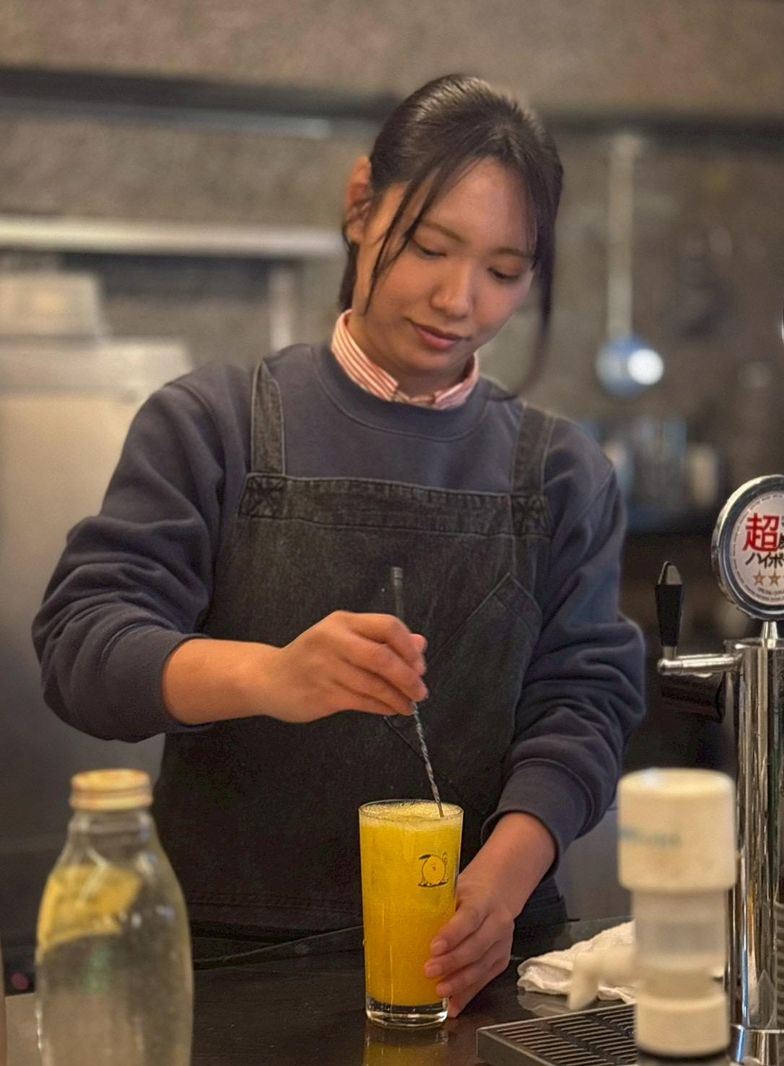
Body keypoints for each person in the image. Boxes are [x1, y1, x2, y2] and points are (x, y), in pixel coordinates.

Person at [33, 73, 645, 1017]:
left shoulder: (562, 473)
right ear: (361, 204)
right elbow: (82, 648)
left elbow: (586, 700)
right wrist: (269, 675)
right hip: (234, 967)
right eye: (430, 247)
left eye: (503, 270)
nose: (459, 300)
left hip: (479, 964)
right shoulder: (214, 425)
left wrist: (506, 877)